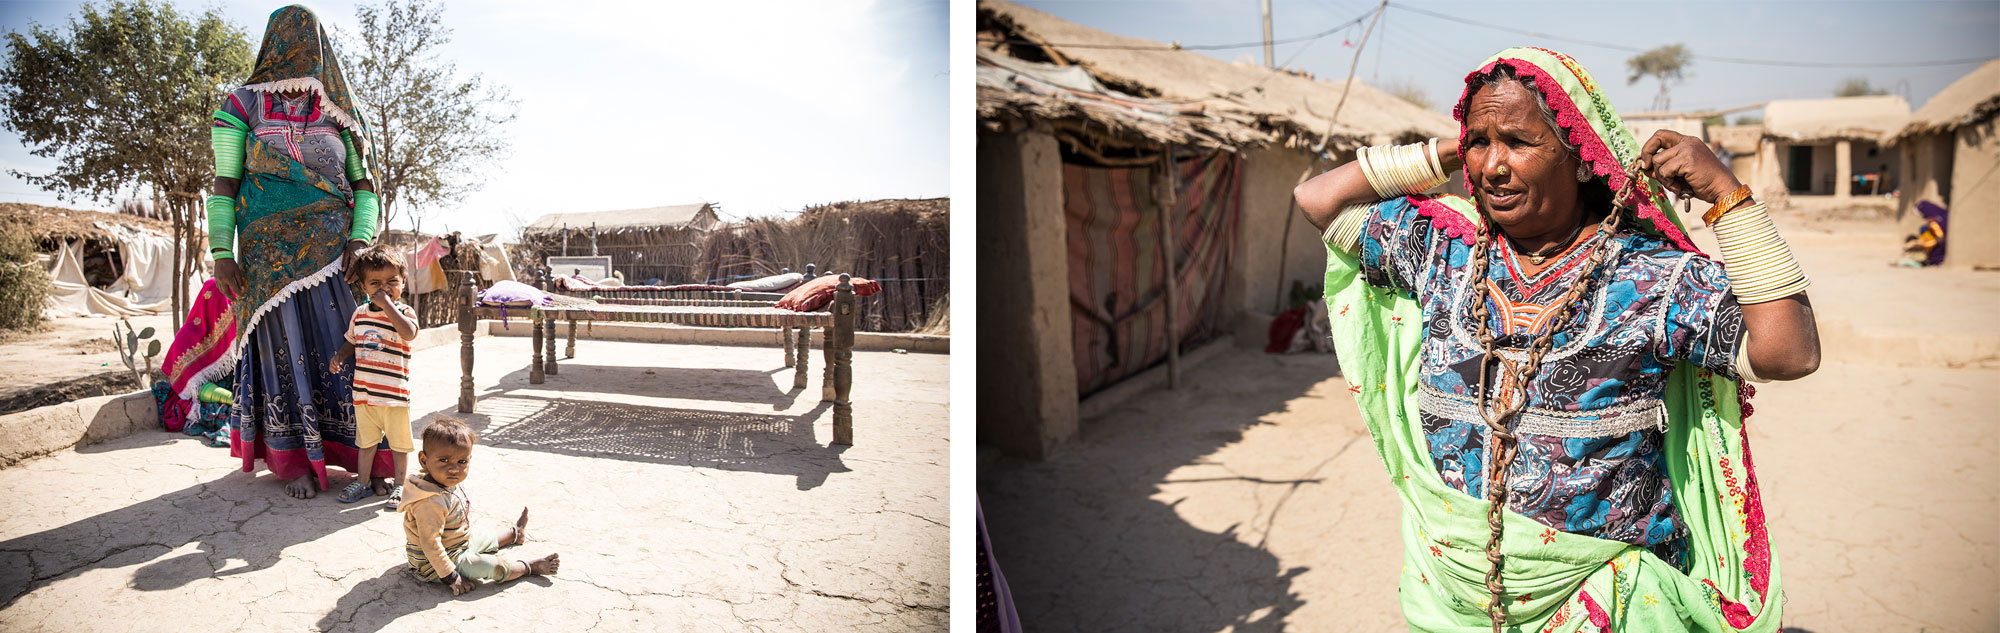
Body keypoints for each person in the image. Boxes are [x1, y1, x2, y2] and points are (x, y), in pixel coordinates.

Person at [1294, 47, 1818, 631]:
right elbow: (1317, 199)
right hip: (1452, 592)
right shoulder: (1441, 249)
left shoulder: (1651, 277)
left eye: (1519, 142)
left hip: (1600, 602)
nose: (1493, 167)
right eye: (1480, 142)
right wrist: (1452, 149)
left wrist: (1726, 193)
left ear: (1582, 156)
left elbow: (1789, 353)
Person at [207, 5, 390, 499]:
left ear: (318, 48)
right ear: (272, 45)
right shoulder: (242, 104)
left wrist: (360, 239)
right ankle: (298, 463)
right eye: (288, 42)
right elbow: (225, 182)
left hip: (335, 257)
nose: (296, 52)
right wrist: (221, 251)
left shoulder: (340, 108)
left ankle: (368, 459)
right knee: (282, 354)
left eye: (305, 42)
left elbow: (364, 186)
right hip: (266, 261)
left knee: (349, 349)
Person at [402, 418, 560, 595]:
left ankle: (515, 533)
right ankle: (529, 567)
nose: (454, 469)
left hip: (457, 542)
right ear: (424, 460)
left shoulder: (443, 480)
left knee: (483, 537)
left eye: (462, 462)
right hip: (431, 564)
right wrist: (451, 577)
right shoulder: (429, 503)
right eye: (444, 460)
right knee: (491, 566)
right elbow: (430, 544)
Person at [328, 248, 419, 507]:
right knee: (366, 443)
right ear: (364, 287)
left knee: (399, 444)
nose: (384, 288)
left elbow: (409, 333)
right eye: (375, 283)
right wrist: (340, 355)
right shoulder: (360, 314)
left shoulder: (404, 312)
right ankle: (363, 482)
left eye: (391, 281)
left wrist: (387, 305)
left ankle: (400, 485)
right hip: (364, 394)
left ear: (403, 281)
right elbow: (352, 341)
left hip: (394, 396)